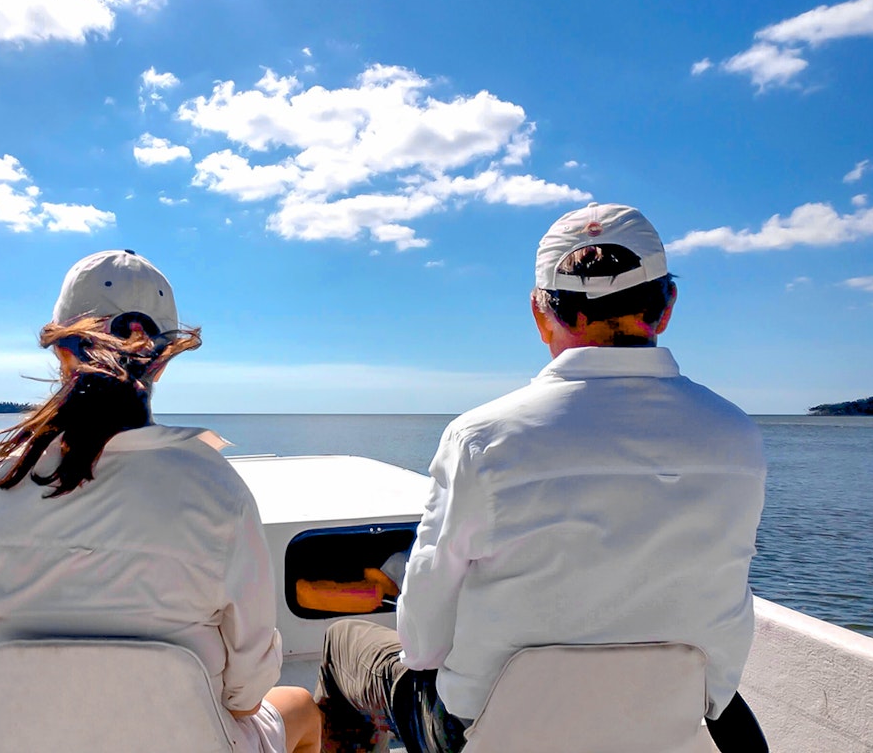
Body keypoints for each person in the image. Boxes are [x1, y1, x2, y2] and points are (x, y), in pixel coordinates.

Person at [315, 203, 768, 752]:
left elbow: (422, 643)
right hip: (663, 726)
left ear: (539, 312)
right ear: (667, 305)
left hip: (492, 735)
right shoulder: (736, 435)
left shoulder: (480, 439)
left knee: (343, 643)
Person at [0, 250, 321, 753]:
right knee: (301, 706)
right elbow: (244, 698)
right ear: (163, 359)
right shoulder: (217, 490)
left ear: (61, 350)